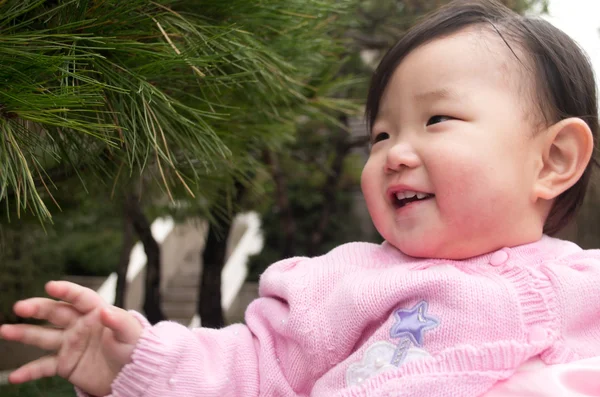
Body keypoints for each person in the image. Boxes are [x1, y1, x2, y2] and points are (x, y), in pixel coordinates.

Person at [2, 0, 600, 396]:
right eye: (382, 134)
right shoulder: (341, 285)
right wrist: (139, 361)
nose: (394, 152)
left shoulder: (588, 282)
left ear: (552, 160)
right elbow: (251, 366)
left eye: (437, 118)